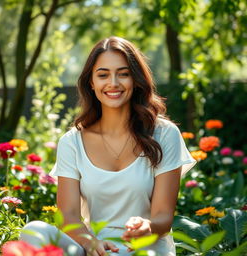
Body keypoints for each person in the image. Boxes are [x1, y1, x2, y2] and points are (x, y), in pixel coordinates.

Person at [20, 36, 196, 255]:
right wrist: (92, 243)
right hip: (96, 249)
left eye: (123, 74)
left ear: (136, 79)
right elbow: (69, 216)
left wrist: (147, 227)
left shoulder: (164, 134)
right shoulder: (72, 142)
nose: (113, 83)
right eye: (103, 75)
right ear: (91, 83)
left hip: (145, 249)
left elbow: (163, 217)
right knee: (34, 231)